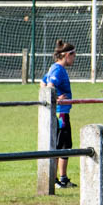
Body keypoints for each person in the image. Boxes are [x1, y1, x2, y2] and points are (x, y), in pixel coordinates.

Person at [43, 40, 78, 191]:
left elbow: (42, 83)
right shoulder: (58, 70)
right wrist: (56, 99)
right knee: (63, 146)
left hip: (62, 112)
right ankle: (59, 179)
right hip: (61, 114)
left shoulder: (54, 68)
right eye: (73, 55)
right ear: (67, 55)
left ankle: (60, 178)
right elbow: (49, 86)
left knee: (62, 145)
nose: (74, 58)